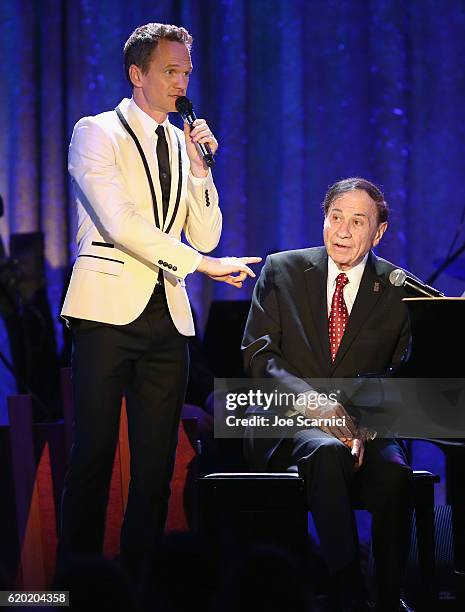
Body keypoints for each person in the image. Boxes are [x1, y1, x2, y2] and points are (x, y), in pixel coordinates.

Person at [59, 22, 260, 579]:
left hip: (166, 316)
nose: (181, 82)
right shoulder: (96, 133)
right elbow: (121, 224)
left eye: (186, 72)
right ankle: (73, 584)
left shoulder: (180, 140)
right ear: (137, 75)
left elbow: (209, 233)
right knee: (94, 459)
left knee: (156, 469)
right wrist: (201, 265)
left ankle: (140, 585)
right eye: (170, 71)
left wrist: (200, 170)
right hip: (105, 315)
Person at [242, 178, 414, 612]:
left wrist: (364, 427)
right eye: (335, 217)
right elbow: (260, 357)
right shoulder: (281, 271)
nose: (342, 230)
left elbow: (405, 375)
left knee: (395, 472)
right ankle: (348, 595)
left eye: (358, 221)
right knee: (325, 452)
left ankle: (389, 596)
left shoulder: (398, 288)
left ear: (378, 233)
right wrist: (315, 404)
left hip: (367, 429)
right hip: (291, 422)